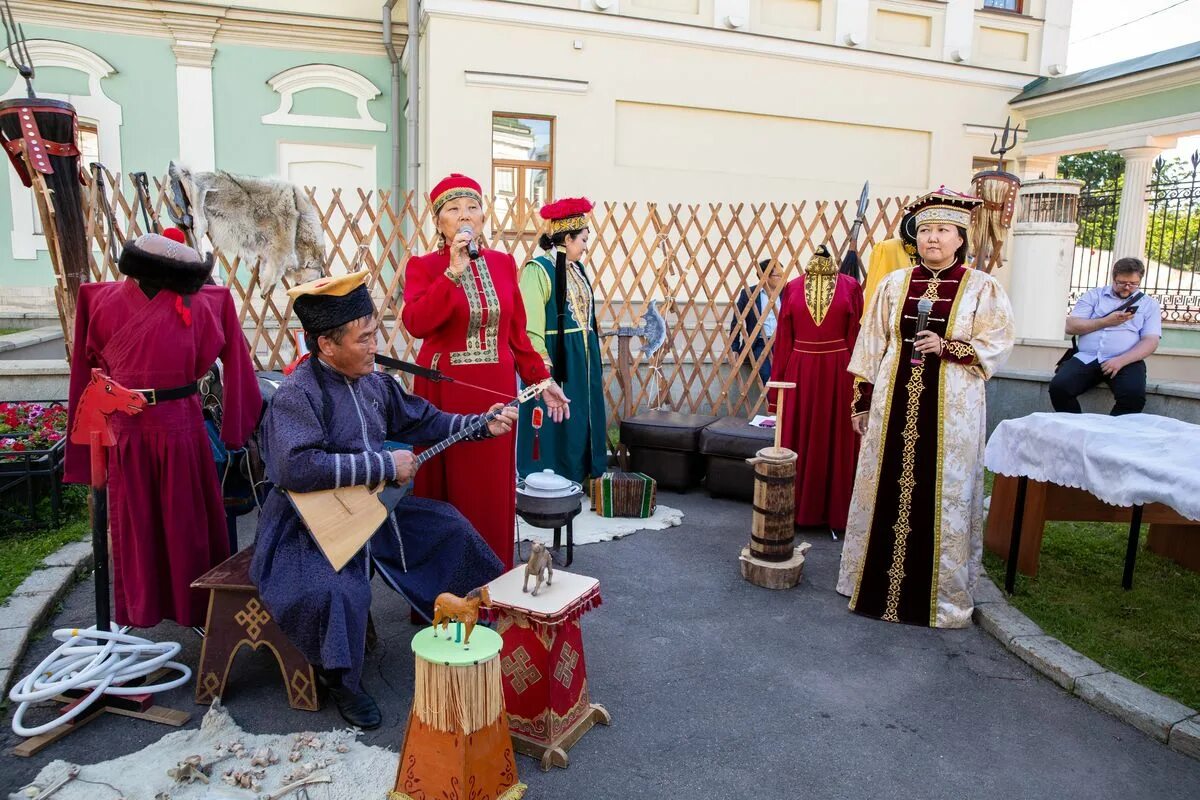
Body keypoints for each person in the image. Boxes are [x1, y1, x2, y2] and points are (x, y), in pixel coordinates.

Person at [251, 269, 509, 729]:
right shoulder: (297, 394)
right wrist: (385, 466)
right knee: (337, 588)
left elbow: (423, 420)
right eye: (364, 338)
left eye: (375, 335)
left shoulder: (373, 382)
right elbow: (296, 468)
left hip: (372, 509)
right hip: (306, 526)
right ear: (326, 344)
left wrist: (478, 425)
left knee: (448, 527)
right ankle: (342, 682)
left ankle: (477, 626)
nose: (375, 347)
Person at [837, 189, 1015, 628]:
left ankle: (942, 599)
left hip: (952, 414)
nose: (933, 238)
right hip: (892, 404)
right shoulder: (894, 286)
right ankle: (871, 584)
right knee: (885, 485)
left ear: (960, 237)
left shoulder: (982, 288)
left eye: (943, 230)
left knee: (945, 493)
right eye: (926, 230)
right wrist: (861, 402)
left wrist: (948, 347)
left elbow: (997, 343)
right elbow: (870, 346)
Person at [65, 230, 261, 628]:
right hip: (126, 431)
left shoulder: (209, 304)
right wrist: (87, 452)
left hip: (182, 428)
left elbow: (239, 365)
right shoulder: (98, 301)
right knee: (137, 527)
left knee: (187, 524)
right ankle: (138, 614)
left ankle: (198, 611)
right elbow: (85, 379)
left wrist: (235, 431)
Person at [401, 174, 570, 568]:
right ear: (438, 221)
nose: (465, 216)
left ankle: (492, 579)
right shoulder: (424, 267)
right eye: (453, 209)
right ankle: (442, 586)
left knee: (490, 489)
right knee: (449, 490)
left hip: (495, 394)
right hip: (444, 396)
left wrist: (541, 381)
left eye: (472, 207)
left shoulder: (503, 263)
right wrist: (453, 272)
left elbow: (517, 336)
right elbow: (416, 323)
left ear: (483, 215)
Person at [768, 245, 863, 535]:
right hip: (801, 372)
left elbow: (857, 338)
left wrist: (862, 388)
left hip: (839, 372)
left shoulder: (851, 287)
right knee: (799, 435)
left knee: (835, 436)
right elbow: (784, 338)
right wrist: (776, 393)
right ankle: (795, 510)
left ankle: (836, 514)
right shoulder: (793, 287)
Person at [517, 197, 607, 483]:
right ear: (567, 238)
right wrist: (542, 369)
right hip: (557, 357)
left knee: (580, 413)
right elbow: (531, 328)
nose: (585, 245)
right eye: (582, 239)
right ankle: (547, 478)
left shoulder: (577, 269)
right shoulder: (537, 270)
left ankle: (581, 472)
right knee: (553, 417)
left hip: (582, 358)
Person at [1049, 257, 1162, 416]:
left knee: (1133, 397)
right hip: (1087, 357)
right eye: (1121, 282)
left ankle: (1109, 435)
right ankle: (1078, 429)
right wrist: (1105, 322)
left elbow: (1151, 341)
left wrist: (1121, 361)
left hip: (1126, 360)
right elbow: (1071, 326)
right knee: (1059, 388)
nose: (1127, 288)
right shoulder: (1094, 296)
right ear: (1114, 277)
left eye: (1133, 284)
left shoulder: (1149, 304)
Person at [729, 257, 784, 385]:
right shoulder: (749, 294)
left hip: (783, 342)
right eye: (778, 275)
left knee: (788, 377)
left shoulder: (787, 292)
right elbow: (737, 321)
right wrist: (734, 348)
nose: (782, 278)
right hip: (760, 343)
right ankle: (774, 404)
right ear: (765, 276)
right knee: (767, 376)